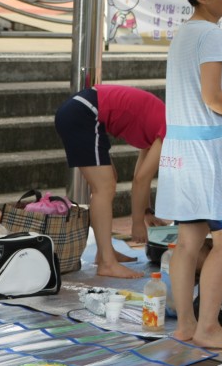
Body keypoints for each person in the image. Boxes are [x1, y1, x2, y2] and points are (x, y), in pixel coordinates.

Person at [155, 0, 222, 349]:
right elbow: (214, 98)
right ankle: (209, 327)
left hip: (180, 148)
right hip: (207, 150)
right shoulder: (210, 35)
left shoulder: (185, 33)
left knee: (189, 238)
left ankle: (187, 325)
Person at [53, 84, 168, 278]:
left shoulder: (161, 123)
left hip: (81, 110)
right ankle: (107, 263)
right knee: (104, 187)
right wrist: (137, 222)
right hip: (85, 111)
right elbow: (141, 179)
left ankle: (104, 253)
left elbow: (140, 175)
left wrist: (146, 212)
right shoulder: (170, 129)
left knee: (108, 182)